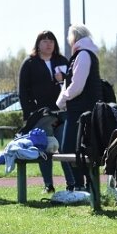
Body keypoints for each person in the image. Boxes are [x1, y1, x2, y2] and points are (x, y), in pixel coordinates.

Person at [18, 30, 70, 193]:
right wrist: (29, 115)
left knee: (64, 147)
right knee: (45, 148)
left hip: (62, 113)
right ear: (38, 44)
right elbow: (23, 92)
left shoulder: (62, 61)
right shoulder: (29, 63)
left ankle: (72, 183)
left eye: (51, 41)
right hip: (41, 116)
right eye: (45, 41)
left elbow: (72, 83)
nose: (49, 44)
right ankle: (48, 185)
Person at [56, 24, 103, 192]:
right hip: (82, 109)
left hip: (80, 111)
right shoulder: (83, 54)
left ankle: (80, 186)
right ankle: (84, 186)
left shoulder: (82, 55)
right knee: (78, 149)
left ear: (74, 37)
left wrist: (62, 100)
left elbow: (77, 86)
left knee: (68, 148)